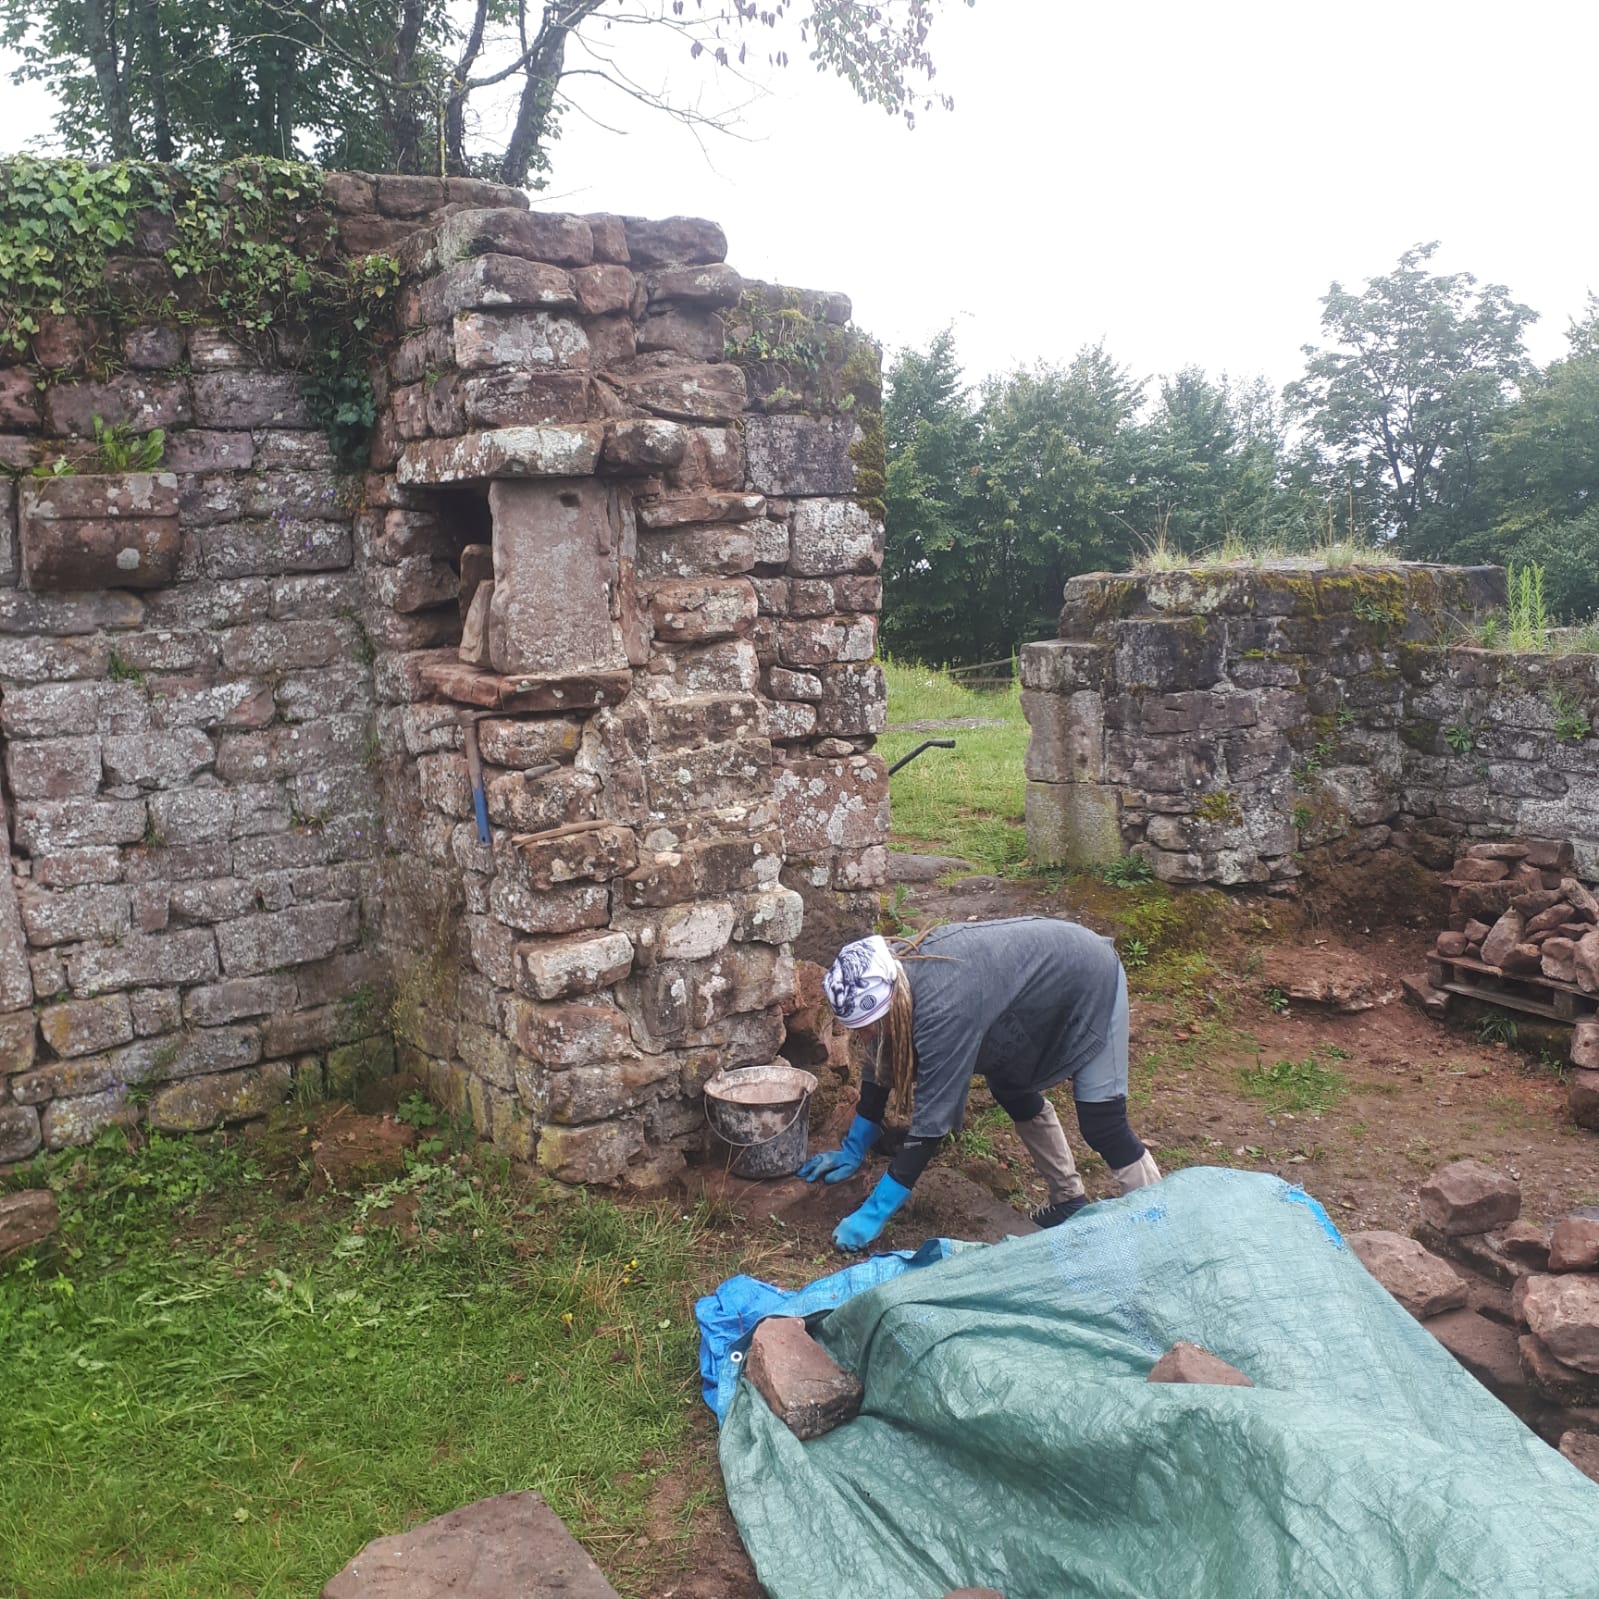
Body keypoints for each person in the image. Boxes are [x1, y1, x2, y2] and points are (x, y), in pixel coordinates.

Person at [800, 916, 1161, 1250]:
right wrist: (855, 1144)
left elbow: (932, 1122)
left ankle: (1160, 1223)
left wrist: (875, 1210)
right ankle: (1068, 1201)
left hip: (1090, 978)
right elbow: (881, 1055)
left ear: (889, 1007)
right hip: (1030, 993)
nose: (864, 1038)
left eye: (866, 1028)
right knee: (1011, 1087)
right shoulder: (890, 972)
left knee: (1103, 1122)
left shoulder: (942, 1006)